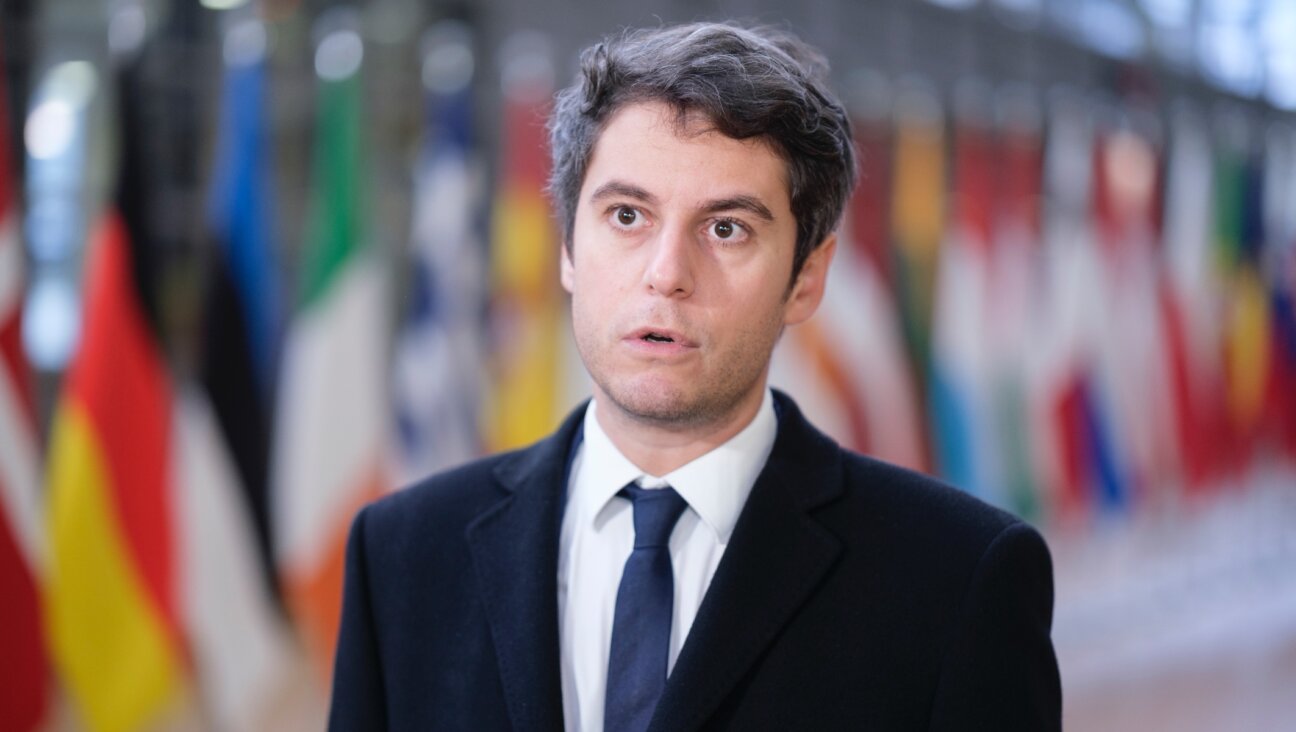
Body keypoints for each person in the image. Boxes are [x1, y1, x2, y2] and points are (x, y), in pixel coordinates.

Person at [329, 21, 1061, 731]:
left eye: (726, 228)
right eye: (626, 215)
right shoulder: (401, 555)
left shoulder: (959, 579)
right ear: (568, 249)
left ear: (808, 276)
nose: (666, 275)